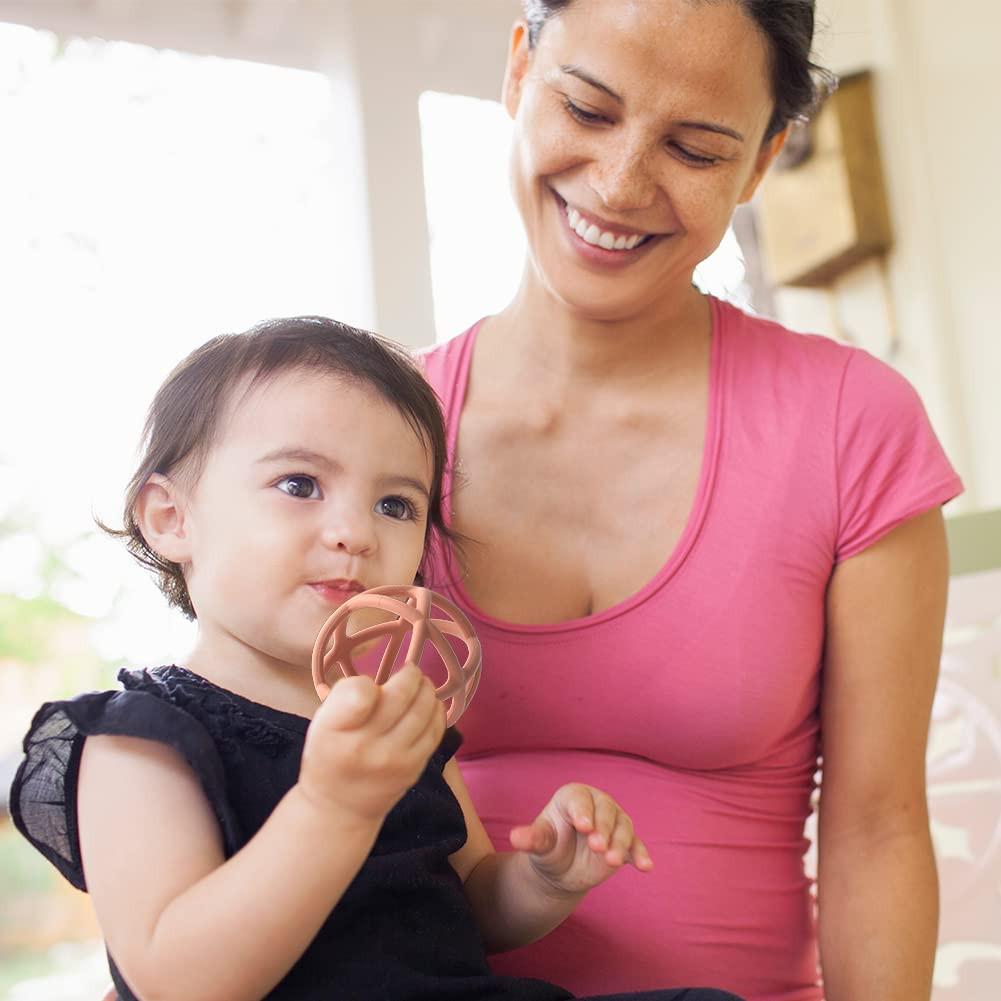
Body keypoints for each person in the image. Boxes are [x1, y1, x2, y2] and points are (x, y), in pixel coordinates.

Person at [418, 2, 963, 1000]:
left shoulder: (849, 423)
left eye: (695, 148)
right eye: (585, 109)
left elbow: (876, 827)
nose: (620, 184)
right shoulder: (379, 437)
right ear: (515, 70)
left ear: (761, 161)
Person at [10, 317, 743, 1001]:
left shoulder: (398, 710)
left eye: (395, 504)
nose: (354, 532)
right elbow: (178, 981)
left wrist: (544, 879)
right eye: (299, 485)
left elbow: (470, 909)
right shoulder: (140, 738)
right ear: (171, 519)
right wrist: (333, 806)